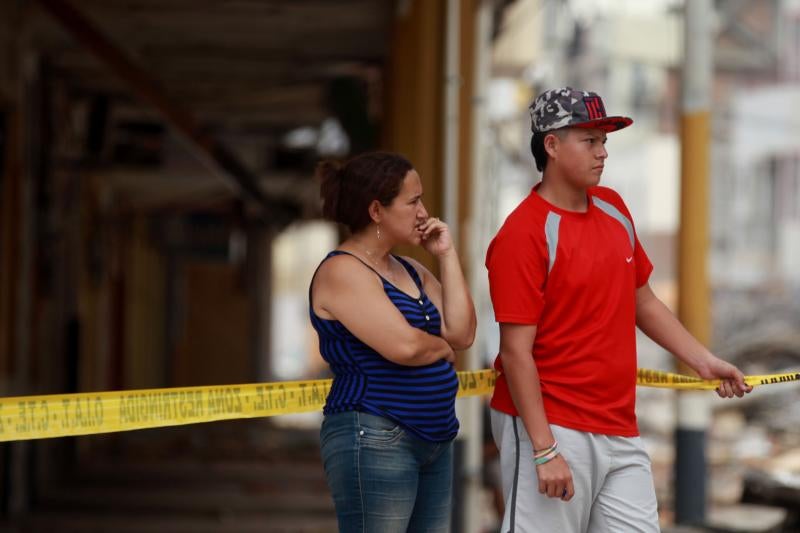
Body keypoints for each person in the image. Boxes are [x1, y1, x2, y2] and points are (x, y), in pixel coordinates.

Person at [485, 87, 752, 533]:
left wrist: (703, 361)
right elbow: (515, 353)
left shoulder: (614, 209)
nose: (602, 152)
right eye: (589, 140)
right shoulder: (522, 234)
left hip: (618, 422)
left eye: (604, 140)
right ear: (551, 145)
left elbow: (641, 299)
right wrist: (545, 449)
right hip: (552, 425)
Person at [309, 151, 476, 533]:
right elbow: (406, 348)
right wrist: (441, 348)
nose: (424, 212)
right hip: (376, 434)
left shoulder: (411, 270)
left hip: (434, 436)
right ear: (376, 210)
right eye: (413, 201)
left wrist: (446, 256)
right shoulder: (343, 271)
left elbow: (463, 332)